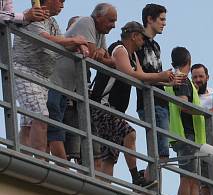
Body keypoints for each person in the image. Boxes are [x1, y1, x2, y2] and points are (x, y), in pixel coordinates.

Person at [89, 20, 170, 182]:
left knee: (109, 157)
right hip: (103, 106)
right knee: (129, 134)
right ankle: (135, 177)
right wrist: (160, 76)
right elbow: (129, 74)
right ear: (134, 36)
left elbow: (143, 78)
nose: (143, 42)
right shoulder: (119, 49)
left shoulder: (132, 55)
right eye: (141, 38)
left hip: (113, 109)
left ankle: (105, 188)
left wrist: (168, 81)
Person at [12, 0, 87, 155]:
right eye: (60, 0)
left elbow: (61, 43)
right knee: (41, 116)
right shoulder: (35, 15)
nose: (62, 5)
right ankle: (38, 162)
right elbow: (45, 39)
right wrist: (74, 40)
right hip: (26, 72)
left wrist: (77, 46)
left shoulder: (52, 21)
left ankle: (23, 157)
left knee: (28, 123)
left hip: (43, 78)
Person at [48, 3, 117, 162]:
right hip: (54, 83)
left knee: (54, 128)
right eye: (110, 20)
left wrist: (101, 54)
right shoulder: (87, 22)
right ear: (98, 17)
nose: (113, 25)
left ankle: (57, 165)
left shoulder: (100, 32)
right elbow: (95, 56)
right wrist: (100, 55)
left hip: (66, 88)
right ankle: (57, 166)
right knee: (52, 128)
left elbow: (109, 59)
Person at [164, 46, 205, 195]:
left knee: (188, 177)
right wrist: (202, 113)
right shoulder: (182, 78)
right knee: (190, 179)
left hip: (178, 133)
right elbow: (183, 104)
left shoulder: (170, 78)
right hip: (187, 134)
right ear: (189, 61)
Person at [135, 3, 172, 168]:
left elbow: (157, 75)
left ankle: (149, 182)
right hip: (149, 101)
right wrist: (162, 77)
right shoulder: (138, 42)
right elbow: (140, 74)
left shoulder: (156, 46)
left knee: (161, 153)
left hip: (160, 100)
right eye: (162, 19)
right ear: (150, 19)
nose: (164, 23)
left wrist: (169, 80)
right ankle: (150, 187)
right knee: (160, 153)